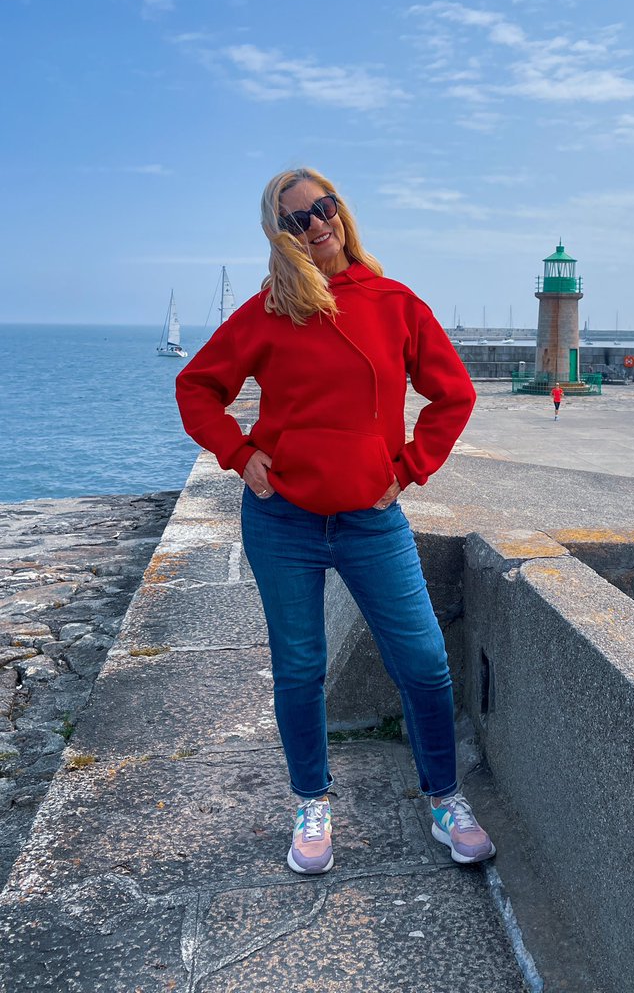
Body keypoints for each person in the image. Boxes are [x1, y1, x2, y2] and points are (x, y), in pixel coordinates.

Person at [175, 166, 495, 876]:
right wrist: (239, 453)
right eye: (296, 218)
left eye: (323, 207)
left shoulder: (393, 302)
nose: (316, 223)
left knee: (423, 662)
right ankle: (311, 801)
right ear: (280, 234)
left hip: (369, 522)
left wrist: (409, 468)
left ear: (341, 211)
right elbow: (196, 387)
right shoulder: (270, 309)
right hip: (281, 521)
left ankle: (444, 798)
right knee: (298, 669)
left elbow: (453, 394)